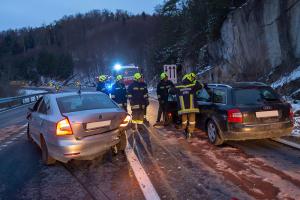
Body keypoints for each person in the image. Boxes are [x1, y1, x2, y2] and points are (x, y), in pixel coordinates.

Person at [175, 72, 205, 139]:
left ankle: (185, 130)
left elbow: (170, 91)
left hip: (183, 109)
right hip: (192, 108)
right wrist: (195, 81)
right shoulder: (193, 86)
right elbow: (201, 86)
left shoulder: (179, 87)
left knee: (184, 121)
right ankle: (190, 132)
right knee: (192, 121)